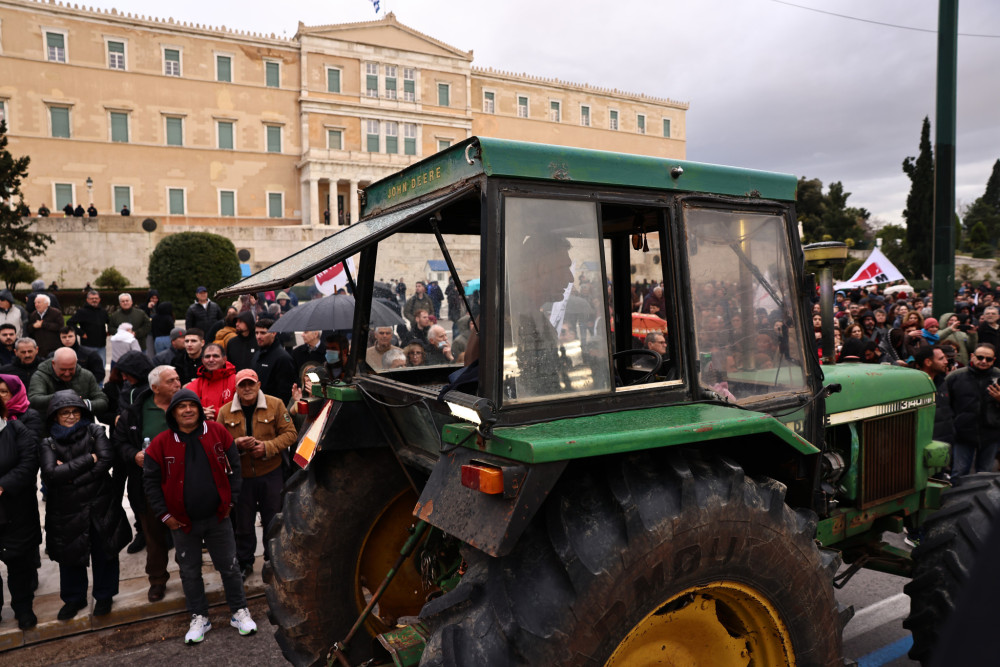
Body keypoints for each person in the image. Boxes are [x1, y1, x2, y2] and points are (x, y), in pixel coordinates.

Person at [142, 389, 258, 643]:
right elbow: (150, 482)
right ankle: (199, 617)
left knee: (229, 567)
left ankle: (239, 611)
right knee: (190, 571)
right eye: (181, 406)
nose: (187, 410)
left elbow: (235, 466)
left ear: (198, 408)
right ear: (173, 412)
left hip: (218, 518)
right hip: (182, 523)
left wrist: (231, 500)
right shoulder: (160, 443)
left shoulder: (217, 432)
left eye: (191, 405)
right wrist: (164, 515)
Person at [40, 390, 131, 620]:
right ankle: (74, 599)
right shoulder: (48, 442)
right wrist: (89, 459)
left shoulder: (95, 431)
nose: (71, 416)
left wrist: (71, 477)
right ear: (55, 416)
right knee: (70, 555)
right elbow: (50, 473)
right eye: (65, 413)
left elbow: (106, 460)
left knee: (105, 551)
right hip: (66, 509)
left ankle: (104, 596)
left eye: (75, 411)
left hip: (99, 503)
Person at [218, 369, 296, 580]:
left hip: (271, 474)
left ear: (258, 384)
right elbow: (217, 445)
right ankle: (244, 562)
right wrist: (236, 446)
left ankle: (274, 561)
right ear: (236, 388)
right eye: (242, 385)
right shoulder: (225, 412)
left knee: (273, 520)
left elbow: (290, 434)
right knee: (243, 523)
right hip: (241, 478)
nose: (247, 388)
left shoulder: (276, 404)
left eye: (250, 384)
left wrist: (268, 447)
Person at [111, 365, 180, 602]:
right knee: (154, 536)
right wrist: (134, 455)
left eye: (177, 379)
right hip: (149, 486)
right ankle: (158, 580)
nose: (177, 384)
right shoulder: (134, 412)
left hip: (183, 482)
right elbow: (119, 443)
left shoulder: (187, 406)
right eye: (171, 381)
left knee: (187, 533)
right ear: (155, 388)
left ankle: (192, 575)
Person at [0, 393, 41, 629]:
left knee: (19, 565)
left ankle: (23, 608)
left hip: (16, 511)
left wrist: (4, 484)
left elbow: (29, 462)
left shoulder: (16, 430)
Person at [944, 344, 1000, 477]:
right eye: (980, 357)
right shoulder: (955, 377)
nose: (984, 361)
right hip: (963, 433)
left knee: (985, 475)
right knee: (959, 473)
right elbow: (944, 405)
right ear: (972, 356)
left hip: (991, 433)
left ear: (994, 360)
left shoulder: (998, 376)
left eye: (988, 359)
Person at [28, 347, 108, 416]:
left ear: (76, 363)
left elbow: (102, 400)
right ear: (53, 363)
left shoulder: (86, 375)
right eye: (63, 370)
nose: (67, 373)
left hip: (82, 426)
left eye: (71, 369)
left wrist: (84, 404)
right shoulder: (40, 376)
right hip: (48, 427)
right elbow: (34, 399)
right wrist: (61, 398)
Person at [186, 343, 236, 421]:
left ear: (224, 359)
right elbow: (186, 409)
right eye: (207, 356)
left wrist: (216, 413)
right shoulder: (192, 386)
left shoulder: (236, 381)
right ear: (202, 360)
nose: (211, 360)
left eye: (215, 356)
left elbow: (243, 407)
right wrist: (200, 414)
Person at [250, 319, 296, 403]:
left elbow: (285, 392)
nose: (258, 336)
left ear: (274, 333)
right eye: (256, 333)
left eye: (263, 333)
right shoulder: (257, 354)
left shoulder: (283, 358)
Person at [68, 290, 110, 365]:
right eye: (92, 298)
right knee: (89, 367)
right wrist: (81, 333)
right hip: (87, 346)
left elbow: (109, 322)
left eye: (96, 298)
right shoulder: (82, 312)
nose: (94, 300)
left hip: (102, 346)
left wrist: (109, 331)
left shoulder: (103, 312)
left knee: (101, 367)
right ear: (87, 300)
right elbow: (70, 323)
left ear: (99, 299)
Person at [0, 373, 43, 438]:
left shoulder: (30, 416)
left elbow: (30, 445)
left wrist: (9, 424)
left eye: (3, 391)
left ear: (16, 395)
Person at [29, 294, 63, 359]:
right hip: (39, 349)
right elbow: (29, 329)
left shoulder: (56, 313)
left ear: (47, 304)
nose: (36, 305)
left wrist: (43, 324)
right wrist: (34, 326)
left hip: (53, 347)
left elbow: (60, 327)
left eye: (39, 302)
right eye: (35, 303)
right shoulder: (33, 315)